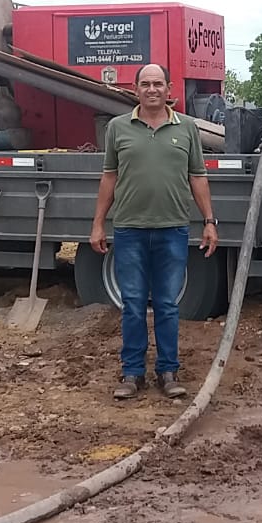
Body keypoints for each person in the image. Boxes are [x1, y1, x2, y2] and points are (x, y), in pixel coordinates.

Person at [90, 63, 219, 399]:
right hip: (130, 230)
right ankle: (132, 374)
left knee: (167, 304)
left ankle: (168, 371)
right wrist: (98, 223)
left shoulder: (187, 128)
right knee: (132, 304)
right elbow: (109, 178)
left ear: (169, 88)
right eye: (145, 84)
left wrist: (209, 221)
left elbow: (198, 177)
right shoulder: (118, 128)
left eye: (158, 84)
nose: (151, 90)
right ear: (136, 90)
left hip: (173, 230)